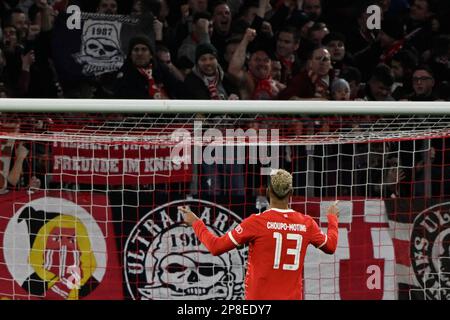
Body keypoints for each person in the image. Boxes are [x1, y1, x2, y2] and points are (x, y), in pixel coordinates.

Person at [180, 169, 339, 300]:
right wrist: (332, 218)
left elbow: (215, 247)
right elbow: (331, 246)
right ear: (291, 191)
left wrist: (196, 223)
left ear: (268, 191)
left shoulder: (256, 223)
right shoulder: (306, 223)